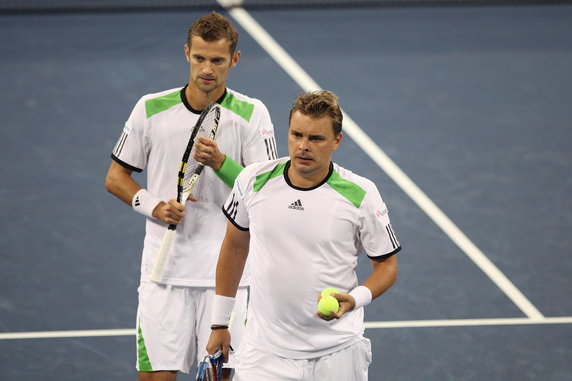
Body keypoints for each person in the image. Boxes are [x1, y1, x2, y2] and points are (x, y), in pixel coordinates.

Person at [104, 11, 278, 381]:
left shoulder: (252, 114)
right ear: (186, 53)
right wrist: (155, 206)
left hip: (228, 280)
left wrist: (222, 163)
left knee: (221, 377)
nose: (207, 69)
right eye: (199, 58)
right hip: (163, 273)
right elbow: (116, 178)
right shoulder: (149, 109)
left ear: (235, 60)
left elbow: (267, 193)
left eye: (217, 60)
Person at [206, 90, 401, 381]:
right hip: (265, 352)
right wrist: (219, 323)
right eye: (296, 135)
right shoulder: (253, 180)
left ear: (337, 141)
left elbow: (387, 266)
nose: (303, 146)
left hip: (338, 351)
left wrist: (354, 299)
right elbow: (234, 247)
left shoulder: (361, 194)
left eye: (316, 139)